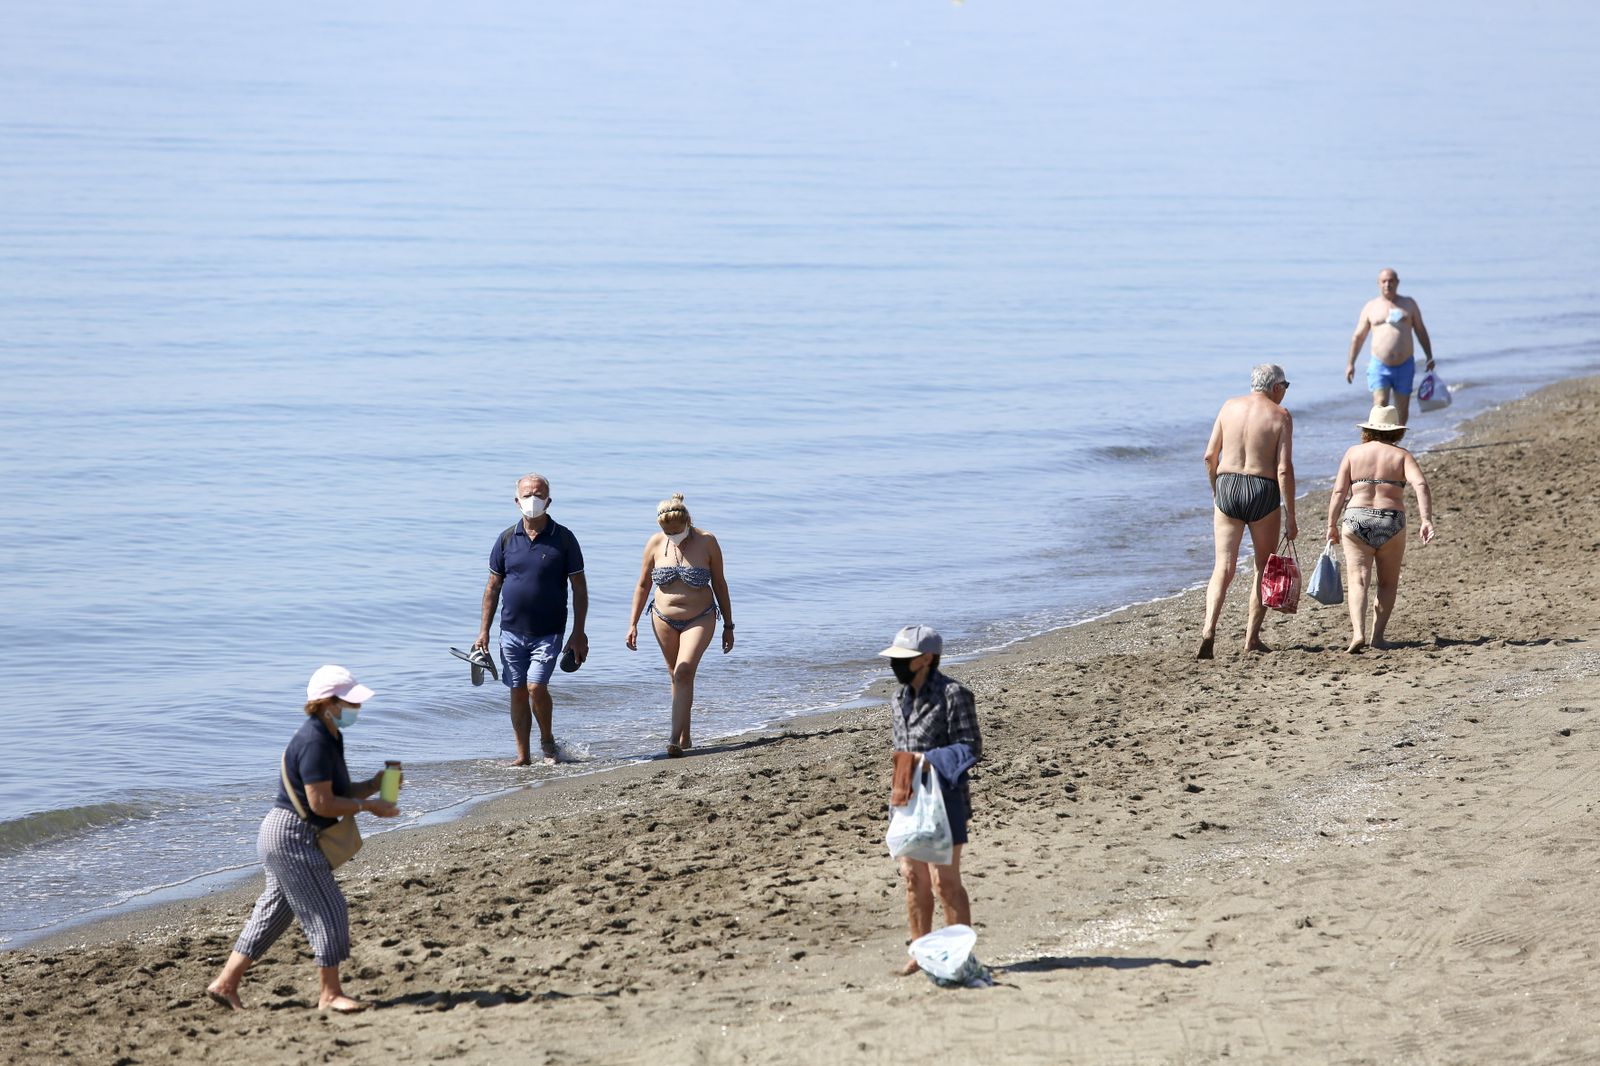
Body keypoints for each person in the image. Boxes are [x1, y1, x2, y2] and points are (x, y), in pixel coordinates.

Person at [206, 666, 400, 1013]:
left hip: (284, 832)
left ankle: (225, 984)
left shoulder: (329, 736)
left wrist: (372, 785)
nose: (356, 709)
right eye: (349, 702)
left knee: (274, 914)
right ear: (328, 704)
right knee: (329, 909)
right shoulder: (314, 741)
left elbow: (336, 792)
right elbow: (321, 803)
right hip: (292, 835)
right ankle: (329, 994)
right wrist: (369, 806)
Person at [880, 624, 981, 977]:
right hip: (906, 798)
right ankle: (920, 951)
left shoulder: (955, 694)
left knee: (944, 882)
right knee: (912, 878)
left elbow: (970, 747)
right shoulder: (898, 698)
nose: (895, 665)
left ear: (926, 659)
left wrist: (927, 761)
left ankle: (960, 956)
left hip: (945, 799)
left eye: (902, 659)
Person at [473, 473, 588, 765]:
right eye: (527, 495)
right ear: (516, 501)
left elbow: (579, 587)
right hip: (510, 631)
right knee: (517, 691)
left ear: (548, 500)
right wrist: (483, 632)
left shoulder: (563, 538)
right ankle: (523, 757)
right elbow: (492, 587)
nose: (532, 500)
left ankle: (547, 740)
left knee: (535, 686)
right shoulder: (506, 539)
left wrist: (579, 632)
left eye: (538, 494)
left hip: (549, 632)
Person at [1199, 363, 1298, 660]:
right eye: (1286, 387)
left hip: (1228, 485)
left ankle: (1208, 629)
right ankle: (1251, 639)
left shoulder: (1228, 406)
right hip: (1261, 489)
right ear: (1276, 387)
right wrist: (1291, 515)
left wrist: (1217, 491)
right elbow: (1283, 469)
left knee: (1223, 566)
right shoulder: (1280, 415)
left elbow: (1208, 456)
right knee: (1262, 567)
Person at [625, 493, 735, 757]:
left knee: (684, 671)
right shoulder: (654, 543)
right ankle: (685, 736)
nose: (672, 535)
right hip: (662, 617)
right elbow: (643, 585)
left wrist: (728, 625)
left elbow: (719, 583)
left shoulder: (707, 542)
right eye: (667, 531)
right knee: (675, 674)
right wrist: (633, 623)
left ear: (688, 522)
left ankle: (673, 740)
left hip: (701, 616)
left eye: (677, 531)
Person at [1324, 405, 1436, 653]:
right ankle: (1378, 637)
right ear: (1396, 432)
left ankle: (1357, 634)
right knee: (1387, 583)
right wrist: (1426, 519)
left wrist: (1331, 524)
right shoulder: (1402, 456)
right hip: (1391, 519)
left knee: (1358, 580)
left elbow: (1340, 492)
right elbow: (1421, 485)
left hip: (1356, 518)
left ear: (1367, 429)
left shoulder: (1353, 453)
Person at [1346, 268, 1437, 427]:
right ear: (1378, 283)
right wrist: (1350, 364)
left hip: (1405, 365)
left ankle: (1396, 443)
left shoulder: (1408, 304)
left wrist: (1429, 356)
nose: (1388, 284)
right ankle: (1379, 442)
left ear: (1397, 282)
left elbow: (1421, 331)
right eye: (1384, 281)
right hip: (1379, 365)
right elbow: (1358, 337)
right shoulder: (1371, 306)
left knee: (1402, 409)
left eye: (1391, 281)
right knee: (1380, 405)